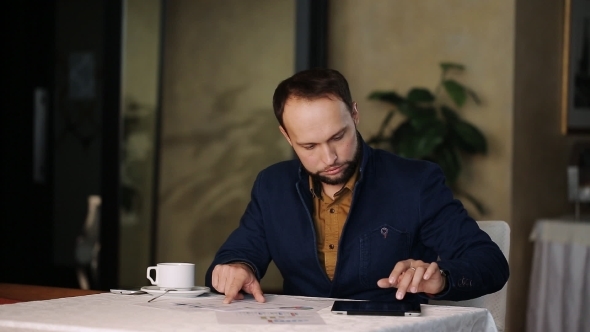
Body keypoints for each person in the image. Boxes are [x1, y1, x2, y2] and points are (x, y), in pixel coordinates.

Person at [205, 68, 509, 304]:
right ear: (286, 136)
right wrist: (235, 269)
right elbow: (237, 254)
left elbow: (490, 264)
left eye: (338, 137)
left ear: (354, 114)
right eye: (309, 146)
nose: (329, 157)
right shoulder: (272, 186)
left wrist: (440, 278)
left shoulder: (415, 182)